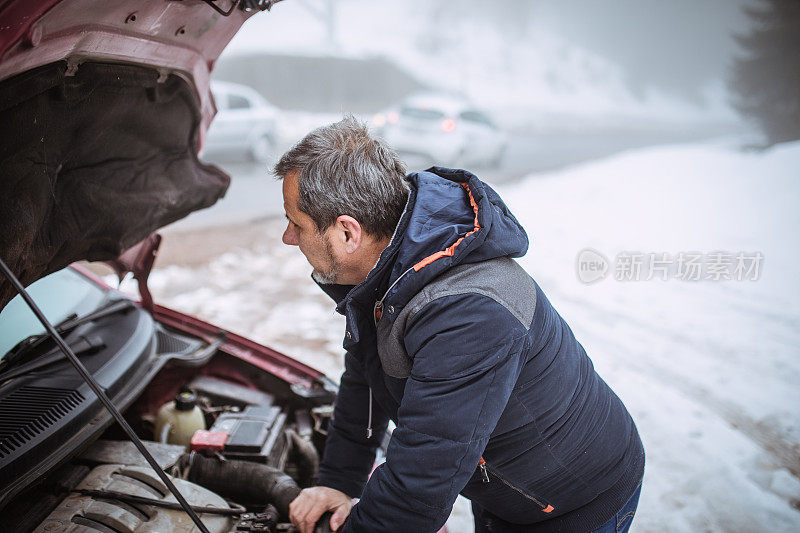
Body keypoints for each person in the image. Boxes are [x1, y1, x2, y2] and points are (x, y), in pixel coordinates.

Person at [275, 116, 645, 533]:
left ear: (348, 233)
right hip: (504, 485)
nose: (288, 237)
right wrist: (339, 482)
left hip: (571, 503)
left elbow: (421, 481)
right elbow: (367, 380)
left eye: (297, 223)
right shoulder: (389, 263)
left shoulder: (468, 315)